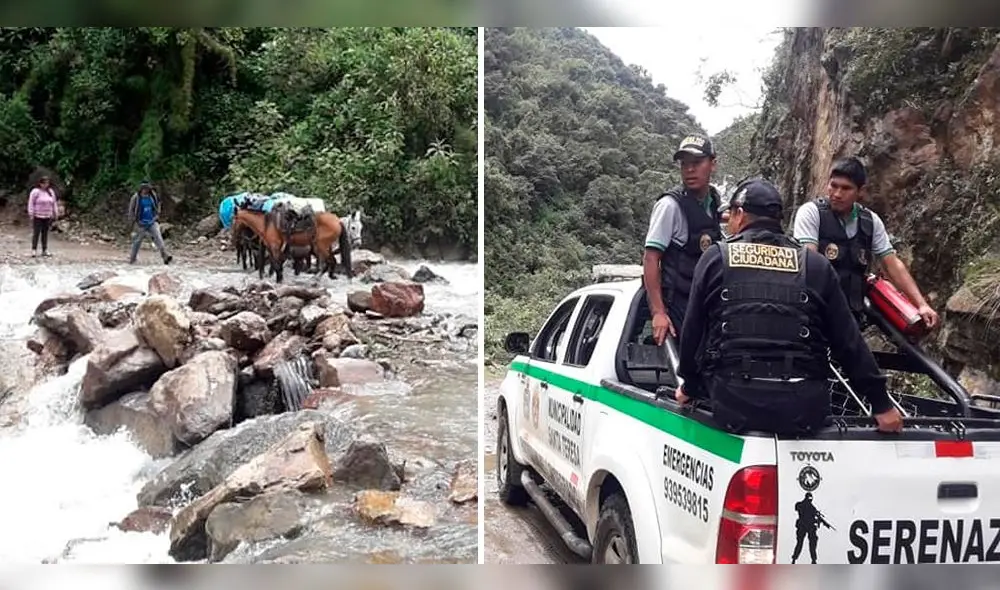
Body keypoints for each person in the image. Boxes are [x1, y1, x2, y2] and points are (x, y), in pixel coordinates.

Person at [673, 178, 903, 435]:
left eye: (730, 215)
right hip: (802, 411)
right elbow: (848, 341)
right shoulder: (815, 265)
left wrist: (689, 386)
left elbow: (693, 332)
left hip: (733, 407)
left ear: (739, 213)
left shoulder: (715, 258)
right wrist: (881, 403)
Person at [792, 157, 938, 328]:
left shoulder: (870, 221)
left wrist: (921, 304)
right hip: (816, 313)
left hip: (852, 317)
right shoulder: (811, 213)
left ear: (860, 191)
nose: (837, 194)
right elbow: (810, 263)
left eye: (846, 188)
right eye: (833, 185)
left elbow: (892, 264)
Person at [642, 134, 724, 344]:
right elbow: (651, 258)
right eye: (684, 164)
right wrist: (659, 313)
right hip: (678, 308)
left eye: (696, 163)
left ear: (712, 164)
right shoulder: (670, 206)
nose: (689, 170)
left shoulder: (713, 201)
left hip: (707, 306)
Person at [127, 180, 173, 265]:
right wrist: (132, 223)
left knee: (159, 239)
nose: (145, 190)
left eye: (147, 188)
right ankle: (132, 260)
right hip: (140, 223)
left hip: (152, 222)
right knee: (137, 242)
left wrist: (157, 215)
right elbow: (131, 211)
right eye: (143, 188)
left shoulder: (153, 196)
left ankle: (165, 256)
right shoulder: (136, 198)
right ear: (141, 188)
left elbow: (157, 206)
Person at [27, 175, 59, 258]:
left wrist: (55, 212)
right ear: (40, 184)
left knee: (45, 233)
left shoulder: (51, 192)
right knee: (36, 233)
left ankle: (44, 250)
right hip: (38, 215)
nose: (45, 185)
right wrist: (31, 213)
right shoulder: (35, 191)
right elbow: (31, 202)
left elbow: (54, 203)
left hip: (47, 215)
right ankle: (34, 250)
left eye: (47, 183)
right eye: (44, 183)